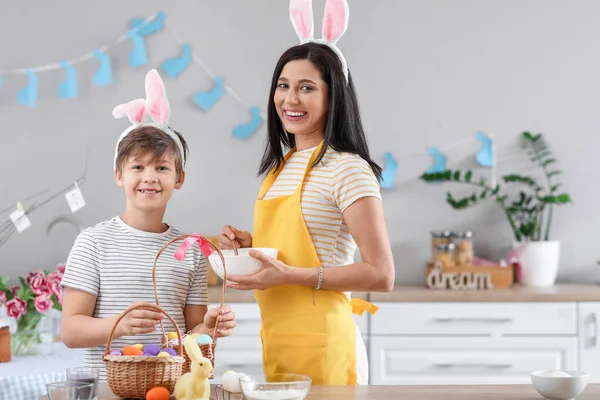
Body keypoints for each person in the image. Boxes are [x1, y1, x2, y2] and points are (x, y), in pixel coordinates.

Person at [218, 0, 395, 386]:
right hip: (280, 339)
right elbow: (297, 247)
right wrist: (250, 248)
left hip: (327, 344)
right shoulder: (279, 169)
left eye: (306, 88)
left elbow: (381, 274)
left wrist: (289, 275)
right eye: (283, 86)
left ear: (334, 96)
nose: (289, 99)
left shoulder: (347, 167)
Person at [60, 69, 237, 380]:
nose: (149, 177)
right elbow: (71, 331)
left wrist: (208, 327)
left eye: (162, 167)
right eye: (137, 166)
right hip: (109, 389)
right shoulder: (92, 243)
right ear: (119, 175)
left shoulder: (190, 250)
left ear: (179, 178)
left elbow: (192, 332)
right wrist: (120, 324)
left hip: (174, 388)